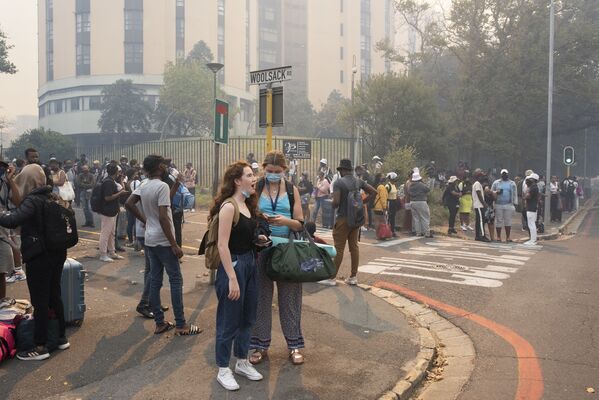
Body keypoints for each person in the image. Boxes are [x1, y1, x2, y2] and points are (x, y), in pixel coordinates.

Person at [0, 164, 70, 360]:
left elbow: (13, 220)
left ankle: (40, 346)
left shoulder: (33, 200)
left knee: (39, 300)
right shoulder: (52, 196)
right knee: (54, 295)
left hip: (39, 256)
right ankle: (61, 337)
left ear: (28, 181)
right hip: (57, 253)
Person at [126, 155, 201, 336]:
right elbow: (163, 216)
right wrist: (174, 244)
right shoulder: (161, 186)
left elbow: (130, 203)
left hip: (150, 240)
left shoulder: (145, 184)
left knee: (155, 280)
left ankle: (159, 322)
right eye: (165, 165)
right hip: (163, 240)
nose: (167, 167)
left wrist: (145, 219)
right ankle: (181, 324)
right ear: (160, 167)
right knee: (175, 281)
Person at [210, 161, 268, 391]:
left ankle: (242, 362)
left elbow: (244, 236)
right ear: (237, 180)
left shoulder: (248, 205)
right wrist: (232, 278)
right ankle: (223, 368)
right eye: (249, 175)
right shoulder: (229, 207)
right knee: (228, 320)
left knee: (248, 317)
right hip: (232, 266)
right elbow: (223, 246)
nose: (254, 178)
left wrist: (258, 240)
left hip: (250, 262)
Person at [249, 150, 305, 366]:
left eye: (277, 171)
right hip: (260, 249)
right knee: (261, 299)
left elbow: (300, 222)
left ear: (285, 170)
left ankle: (294, 345)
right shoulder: (257, 187)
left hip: (286, 251)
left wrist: (284, 221)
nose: (273, 174)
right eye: (269, 171)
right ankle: (260, 345)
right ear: (264, 169)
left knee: (290, 299)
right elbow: (247, 214)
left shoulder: (292, 190)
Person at [328, 159, 376, 286]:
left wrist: (332, 204)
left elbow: (336, 202)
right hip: (355, 219)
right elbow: (373, 192)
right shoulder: (358, 181)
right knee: (354, 247)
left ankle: (332, 278)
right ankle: (353, 277)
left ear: (342, 170)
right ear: (350, 170)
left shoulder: (338, 183)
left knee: (338, 248)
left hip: (343, 218)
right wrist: (361, 203)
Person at [98, 164, 129, 262]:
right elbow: (108, 198)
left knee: (111, 233)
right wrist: (119, 194)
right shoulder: (108, 183)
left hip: (112, 210)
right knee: (105, 233)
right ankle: (103, 254)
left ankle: (112, 252)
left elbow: (121, 189)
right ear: (116, 172)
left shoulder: (111, 181)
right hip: (108, 211)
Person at [0, 161, 22, 294]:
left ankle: (2, 304)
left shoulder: (5, 183)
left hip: (2, 234)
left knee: (2, 271)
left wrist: (11, 180)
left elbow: (18, 201)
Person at [491, 169, 518, 242]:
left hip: (508, 204)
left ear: (508, 174)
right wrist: (496, 192)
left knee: (508, 220)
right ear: (501, 175)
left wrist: (515, 203)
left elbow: (515, 193)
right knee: (498, 220)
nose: (504, 175)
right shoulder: (496, 183)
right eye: (503, 174)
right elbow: (491, 192)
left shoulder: (512, 183)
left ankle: (508, 237)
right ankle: (499, 237)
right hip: (498, 204)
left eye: (505, 174)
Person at [408, 168, 432, 237]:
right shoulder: (421, 185)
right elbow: (428, 189)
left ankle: (418, 233)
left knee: (416, 218)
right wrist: (423, 182)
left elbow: (409, 192)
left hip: (412, 202)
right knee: (425, 217)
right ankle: (427, 233)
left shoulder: (410, 185)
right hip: (421, 202)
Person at [472, 169, 490, 242]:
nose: (483, 177)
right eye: (482, 176)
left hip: (478, 205)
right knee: (481, 221)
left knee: (478, 221)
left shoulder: (478, 183)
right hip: (479, 205)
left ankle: (477, 236)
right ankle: (482, 236)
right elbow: (479, 194)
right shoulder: (477, 184)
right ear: (479, 176)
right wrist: (484, 204)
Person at [524, 173, 540, 246]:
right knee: (532, 224)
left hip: (531, 207)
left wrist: (526, 192)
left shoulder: (533, 187)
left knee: (531, 224)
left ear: (533, 180)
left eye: (530, 179)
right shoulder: (534, 187)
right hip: (533, 207)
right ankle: (533, 239)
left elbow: (528, 196)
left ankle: (532, 240)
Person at [385, 172, 399, 237]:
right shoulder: (388, 186)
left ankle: (392, 231)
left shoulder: (394, 185)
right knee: (388, 217)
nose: (396, 179)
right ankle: (387, 231)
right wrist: (386, 206)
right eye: (395, 178)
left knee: (393, 217)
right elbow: (385, 196)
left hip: (394, 202)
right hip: (389, 202)